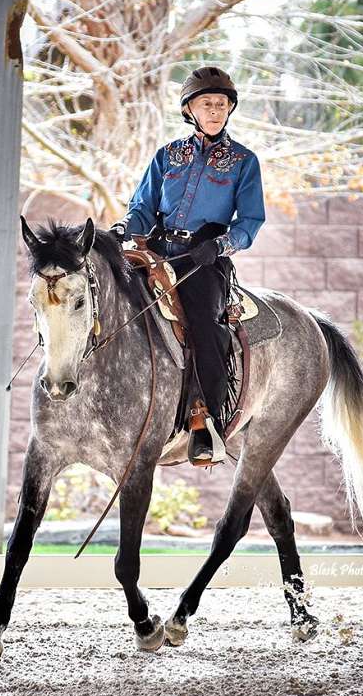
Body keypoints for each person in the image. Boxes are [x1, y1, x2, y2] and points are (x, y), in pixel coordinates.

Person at [110, 66, 266, 465]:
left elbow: (249, 222)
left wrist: (219, 245)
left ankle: (206, 421)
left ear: (230, 109)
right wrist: (125, 228)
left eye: (221, 104)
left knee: (204, 324)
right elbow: (143, 207)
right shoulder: (167, 156)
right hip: (159, 249)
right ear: (189, 109)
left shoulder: (244, 162)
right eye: (206, 103)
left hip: (204, 258)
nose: (214, 110)